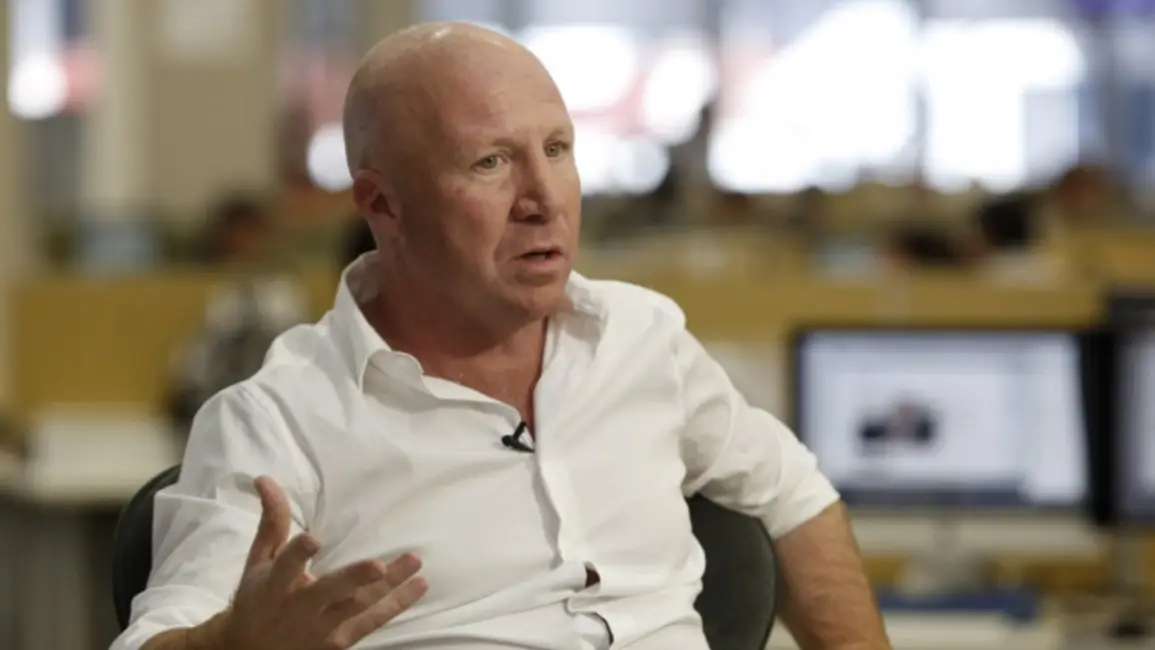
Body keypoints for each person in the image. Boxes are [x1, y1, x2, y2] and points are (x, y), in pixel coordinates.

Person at [114, 23, 890, 650]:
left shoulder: (642, 339)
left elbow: (794, 495)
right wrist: (227, 645)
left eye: (557, 150)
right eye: (490, 163)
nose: (544, 199)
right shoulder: (280, 419)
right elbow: (159, 635)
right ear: (382, 204)